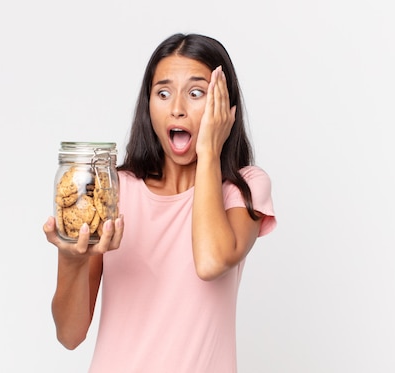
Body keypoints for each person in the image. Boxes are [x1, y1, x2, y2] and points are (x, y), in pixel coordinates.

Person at [43, 33, 277, 373]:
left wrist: (209, 151)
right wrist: (71, 258)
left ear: (224, 109)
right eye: (163, 93)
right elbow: (69, 334)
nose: (178, 108)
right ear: (147, 103)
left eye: (196, 93)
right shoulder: (115, 189)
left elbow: (210, 262)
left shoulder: (243, 190)